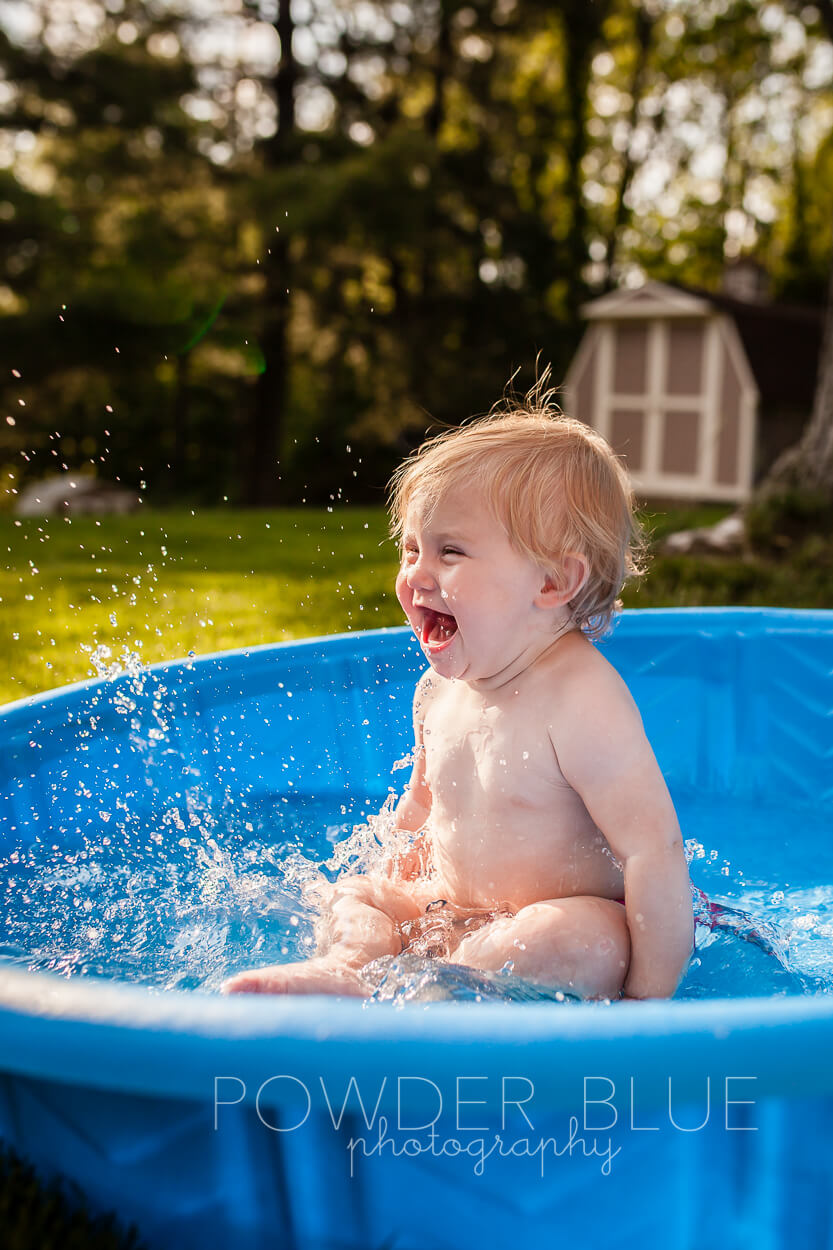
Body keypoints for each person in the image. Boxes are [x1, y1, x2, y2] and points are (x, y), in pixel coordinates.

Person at [223, 375, 693, 1000]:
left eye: (449, 552)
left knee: (582, 940)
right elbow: (421, 813)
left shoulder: (582, 700)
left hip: (558, 919)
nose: (415, 573)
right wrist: (389, 881)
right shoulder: (436, 692)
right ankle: (351, 969)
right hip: (454, 913)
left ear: (552, 582)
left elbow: (652, 853)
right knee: (356, 894)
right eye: (411, 547)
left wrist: (648, 1003)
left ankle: (438, 995)